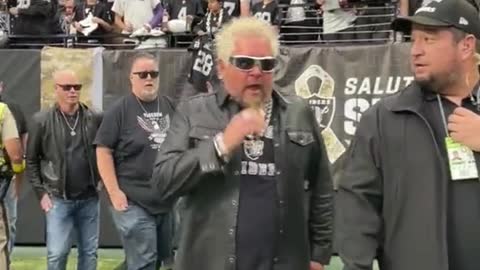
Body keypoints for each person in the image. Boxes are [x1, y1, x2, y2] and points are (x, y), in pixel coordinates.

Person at [152, 17, 334, 270]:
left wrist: (319, 254)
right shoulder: (194, 111)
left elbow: (322, 187)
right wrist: (220, 145)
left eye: (267, 64)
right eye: (245, 63)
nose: (257, 72)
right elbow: (163, 182)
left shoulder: (298, 112)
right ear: (221, 67)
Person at [335, 1, 480, 270]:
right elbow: (358, 204)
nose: (416, 51)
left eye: (429, 39)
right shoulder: (383, 118)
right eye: (413, 40)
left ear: (466, 46)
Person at [94, 52, 175, 270]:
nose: (149, 78)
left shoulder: (169, 106)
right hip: (133, 199)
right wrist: (114, 192)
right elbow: (103, 151)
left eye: (154, 74)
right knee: (144, 260)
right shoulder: (119, 110)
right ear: (131, 78)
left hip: (165, 199)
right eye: (143, 74)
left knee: (159, 259)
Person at [26, 70, 102, 270]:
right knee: (57, 254)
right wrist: (41, 193)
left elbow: (104, 152)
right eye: (67, 87)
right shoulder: (41, 120)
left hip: (89, 197)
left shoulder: (94, 117)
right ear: (56, 89)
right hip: (58, 198)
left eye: (77, 87)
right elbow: (31, 160)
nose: (72, 91)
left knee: (89, 253)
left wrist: (102, 181)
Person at [0, 81, 27, 261]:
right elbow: (16, 153)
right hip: (3, 177)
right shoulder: (4, 111)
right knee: (5, 226)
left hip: (6, 178)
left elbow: (24, 134)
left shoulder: (12, 108)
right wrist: (19, 171)